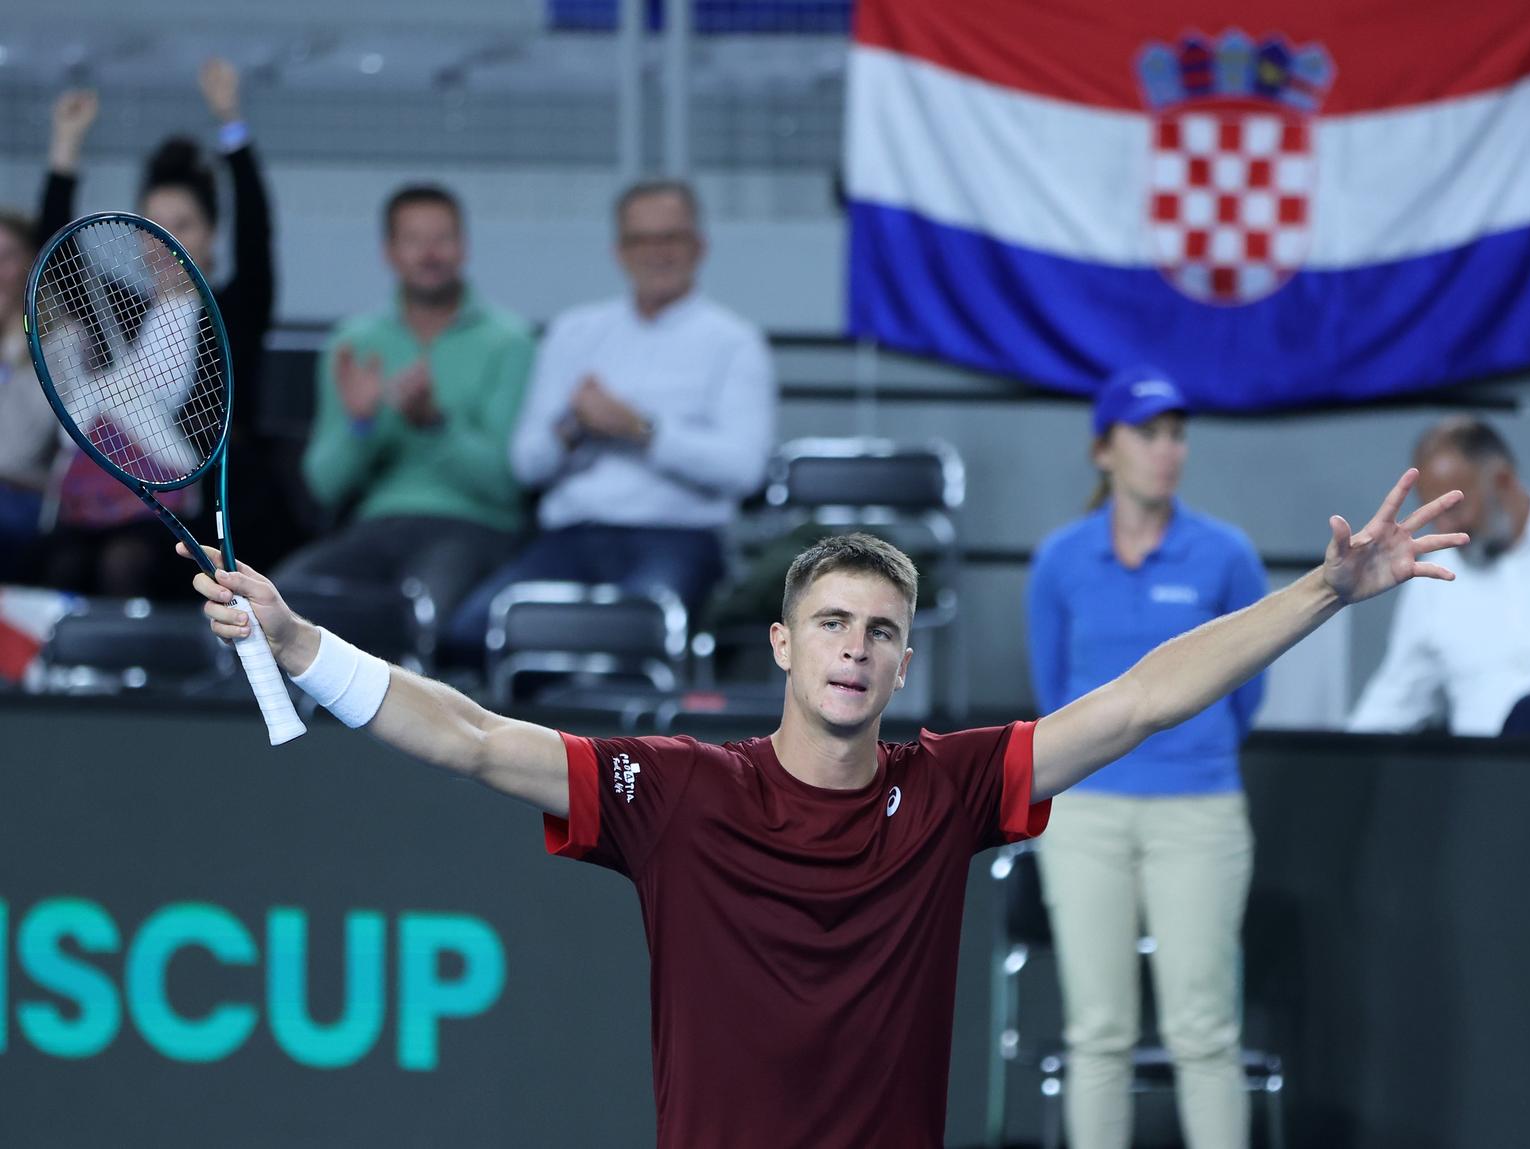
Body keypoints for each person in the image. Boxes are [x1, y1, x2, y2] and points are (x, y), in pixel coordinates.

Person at [183, 463, 1464, 1149]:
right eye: (832, 624)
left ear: (905, 664)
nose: (855, 648)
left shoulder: (951, 787)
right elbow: (468, 736)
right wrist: (303, 646)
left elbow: (1135, 703)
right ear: (786, 648)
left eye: (881, 632)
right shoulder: (674, 790)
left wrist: (1326, 594)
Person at [1027, 367, 1268, 1149]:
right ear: (1105, 449)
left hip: (1199, 807)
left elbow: (1246, 690)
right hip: (1085, 812)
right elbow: (1053, 687)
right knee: (1097, 1029)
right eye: (1147, 434)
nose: (1167, 451)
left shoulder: (1226, 554)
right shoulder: (1060, 560)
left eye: (1176, 434)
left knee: (1203, 1028)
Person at [447, 178, 774, 654]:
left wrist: (641, 430)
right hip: (570, 535)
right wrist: (573, 427)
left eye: (671, 238)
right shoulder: (574, 332)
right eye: (641, 240)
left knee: (631, 636)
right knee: (471, 631)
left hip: (678, 536)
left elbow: (744, 472)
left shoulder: (735, 342)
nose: (656, 253)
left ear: (698, 246)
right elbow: (526, 465)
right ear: (619, 251)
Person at [32, 61, 282, 594]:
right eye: (152, 225)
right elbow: (58, 258)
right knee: (61, 565)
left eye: (183, 224)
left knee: (128, 564)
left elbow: (259, 235)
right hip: (105, 504)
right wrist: (66, 147)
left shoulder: (233, 310)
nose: (163, 241)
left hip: (209, 509)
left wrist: (231, 123)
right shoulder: (119, 310)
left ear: (213, 234)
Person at [276, 184, 535, 622]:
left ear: (464, 247)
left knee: (416, 610)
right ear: (389, 252)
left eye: (442, 239)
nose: (429, 254)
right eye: (413, 240)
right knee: (278, 607)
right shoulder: (354, 342)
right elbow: (324, 485)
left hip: (472, 528)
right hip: (375, 527)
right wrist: (361, 423)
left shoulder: (510, 341)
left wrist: (434, 423)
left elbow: (507, 486)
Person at [1348, 416, 1530, 736]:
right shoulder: (1431, 576)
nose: (1443, 528)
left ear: (1504, 481)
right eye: (1433, 513)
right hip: (1485, 775)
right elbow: (1396, 699)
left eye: (1452, 509)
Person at [0, 211, 60, 582]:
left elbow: (19, 450)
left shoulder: (60, 340)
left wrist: (10, 343)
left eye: (7, 257)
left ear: (30, 263)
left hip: (29, 499)